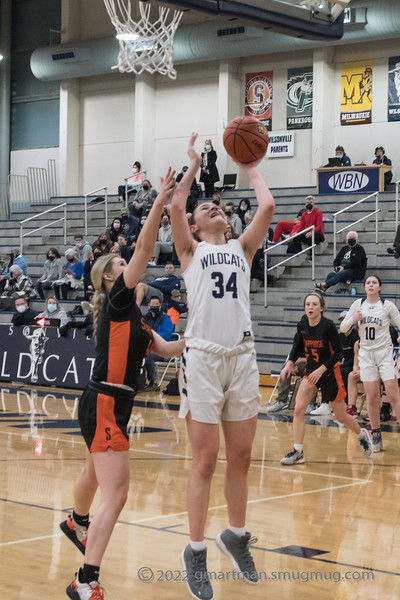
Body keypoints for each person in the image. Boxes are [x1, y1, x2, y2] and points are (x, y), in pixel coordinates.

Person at [61, 167, 185, 600]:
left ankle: (76, 521)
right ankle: (84, 580)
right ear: (111, 278)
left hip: (105, 404)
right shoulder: (117, 301)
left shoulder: (133, 321)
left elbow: (169, 350)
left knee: (96, 475)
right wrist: (162, 202)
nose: (128, 264)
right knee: (118, 494)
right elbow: (146, 248)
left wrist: (205, 337)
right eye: (120, 263)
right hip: (107, 404)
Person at [170, 132, 274, 600]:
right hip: (205, 360)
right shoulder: (192, 253)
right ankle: (195, 551)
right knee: (206, 461)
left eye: (217, 207)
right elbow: (175, 207)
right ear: (194, 226)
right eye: (204, 208)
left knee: (244, 458)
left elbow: (267, 206)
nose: (213, 207)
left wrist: (249, 161)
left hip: (243, 358)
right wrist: (193, 166)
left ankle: (235, 534)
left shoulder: (241, 250)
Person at [280, 292, 372, 466]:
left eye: (314, 304)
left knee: (341, 416)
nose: (310, 307)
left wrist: (321, 370)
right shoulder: (302, 324)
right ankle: (298, 451)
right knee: (299, 409)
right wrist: (289, 364)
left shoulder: (328, 326)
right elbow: (297, 346)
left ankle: (361, 435)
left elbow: (338, 354)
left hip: (329, 372)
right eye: (308, 304)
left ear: (321, 308)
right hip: (312, 371)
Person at [340, 275, 400, 452]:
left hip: (384, 354)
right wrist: (353, 319)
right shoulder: (358, 305)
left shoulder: (387, 305)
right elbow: (343, 328)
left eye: (374, 283)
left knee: (393, 393)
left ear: (380, 288)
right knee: (372, 396)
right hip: (366, 355)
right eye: (368, 283)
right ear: (364, 287)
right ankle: (376, 434)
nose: (371, 285)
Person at [143, 296, 174, 390]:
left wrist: (151, 334)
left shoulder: (166, 319)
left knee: (148, 356)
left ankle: (154, 383)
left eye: (157, 304)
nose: (155, 306)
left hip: (163, 349)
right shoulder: (145, 318)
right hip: (149, 346)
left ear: (160, 306)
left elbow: (166, 335)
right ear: (149, 306)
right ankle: (140, 382)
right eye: (153, 304)